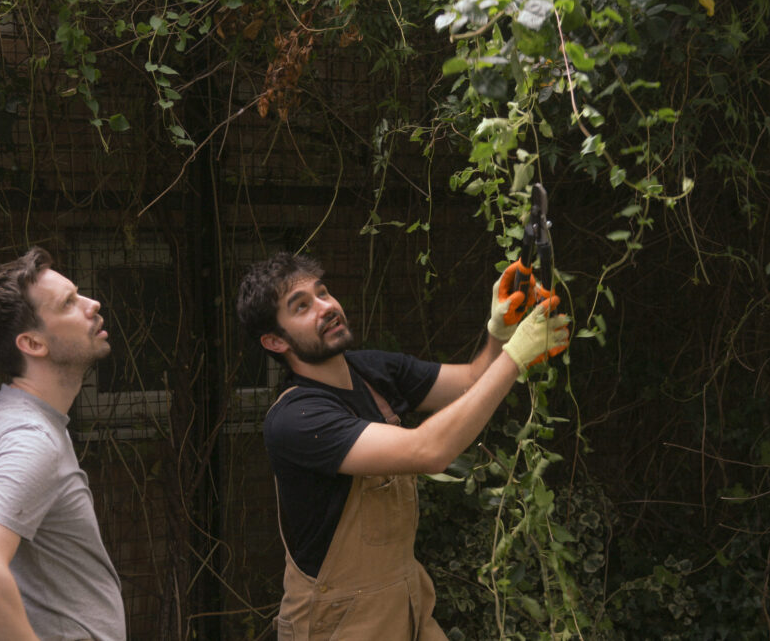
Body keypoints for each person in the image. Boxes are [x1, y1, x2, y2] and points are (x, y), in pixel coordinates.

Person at [235, 251, 570, 640]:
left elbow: (474, 380)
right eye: (302, 306)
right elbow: (428, 451)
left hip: (406, 603)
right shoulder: (296, 418)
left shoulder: (372, 370)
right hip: (339, 622)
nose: (325, 307)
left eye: (323, 292)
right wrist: (515, 358)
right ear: (276, 341)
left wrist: (500, 332)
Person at [0, 247, 126, 641]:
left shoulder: (8, 412)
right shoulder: (30, 441)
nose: (92, 304)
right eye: (69, 303)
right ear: (33, 344)